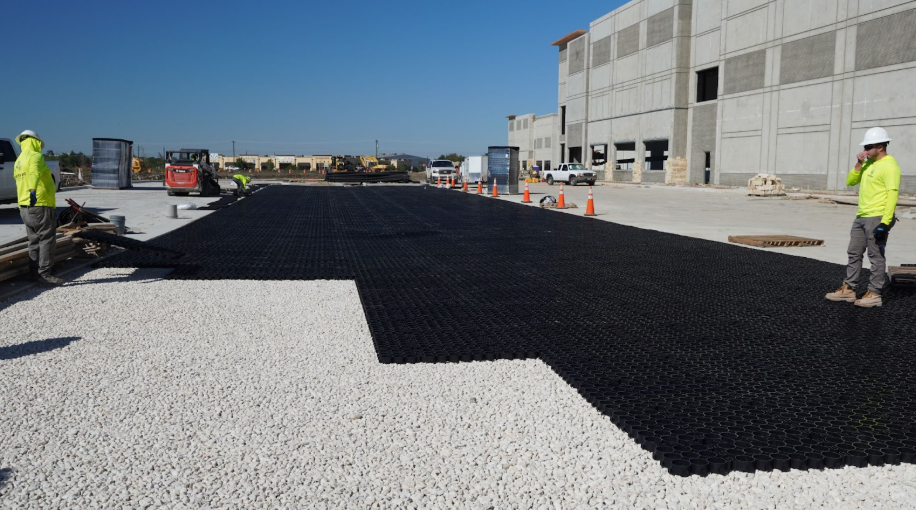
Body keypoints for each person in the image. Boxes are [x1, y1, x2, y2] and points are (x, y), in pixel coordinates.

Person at [825, 127, 900, 308]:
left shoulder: (890, 166)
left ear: (880, 147)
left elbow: (892, 194)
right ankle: (849, 289)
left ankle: (874, 293)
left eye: (868, 147)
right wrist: (858, 163)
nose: (865, 150)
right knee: (854, 252)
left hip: (877, 217)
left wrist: (885, 223)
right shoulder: (868, 163)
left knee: (875, 255)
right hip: (861, 215)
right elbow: (850, 181)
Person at [13, 130, 63, 286]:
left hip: (24, 207)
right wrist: (33, 191)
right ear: (36, 142)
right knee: (47, 239)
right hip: (40, 204)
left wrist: (24, 200)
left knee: (33, 240)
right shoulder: (36, 156)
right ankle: (45, 273)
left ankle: (34, 272)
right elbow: (34, 173)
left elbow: (19, 182)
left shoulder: (19, 161)